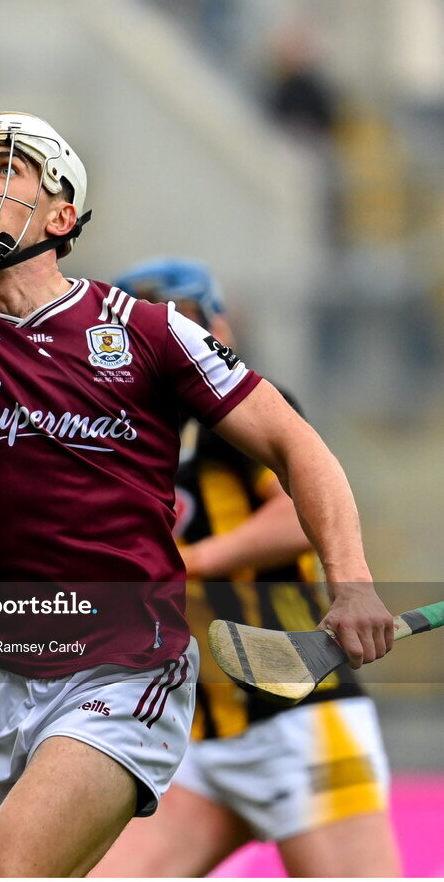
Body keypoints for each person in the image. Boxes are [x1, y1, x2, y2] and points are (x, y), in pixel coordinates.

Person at [0, 20, 395, 878]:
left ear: (62, 214)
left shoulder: (146, 333)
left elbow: (298, 445)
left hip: (120, 668)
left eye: (5, 169)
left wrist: (351, 583)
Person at [93, 258, 401, 879]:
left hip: (297, 721)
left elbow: (297, 518)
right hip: (195, 736)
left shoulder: (243, 416)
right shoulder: (112, 445)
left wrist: (188, 561)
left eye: (188, 321)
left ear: (221, 330)